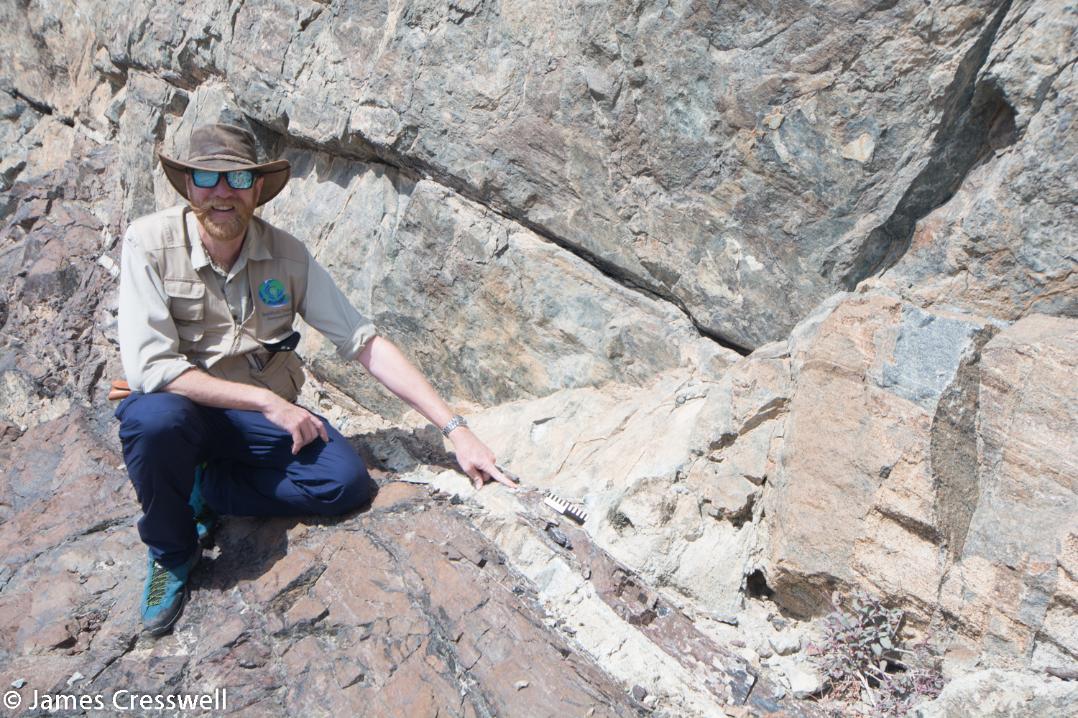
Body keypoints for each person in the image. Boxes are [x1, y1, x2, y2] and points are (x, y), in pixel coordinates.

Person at [116, 123, 513, 637]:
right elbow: (150, 368)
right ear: (188, 186)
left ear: (257, 188)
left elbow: (363, 342)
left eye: (236, 177)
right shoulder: (148, 243)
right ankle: (172, 552)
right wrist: (264, 400)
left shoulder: (287, 256)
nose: (222, 192)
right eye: (206, 177)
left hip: (255, 423)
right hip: (185, 409)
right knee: (154, 422)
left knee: (343, 483)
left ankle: (206, 488)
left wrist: (456, 430)